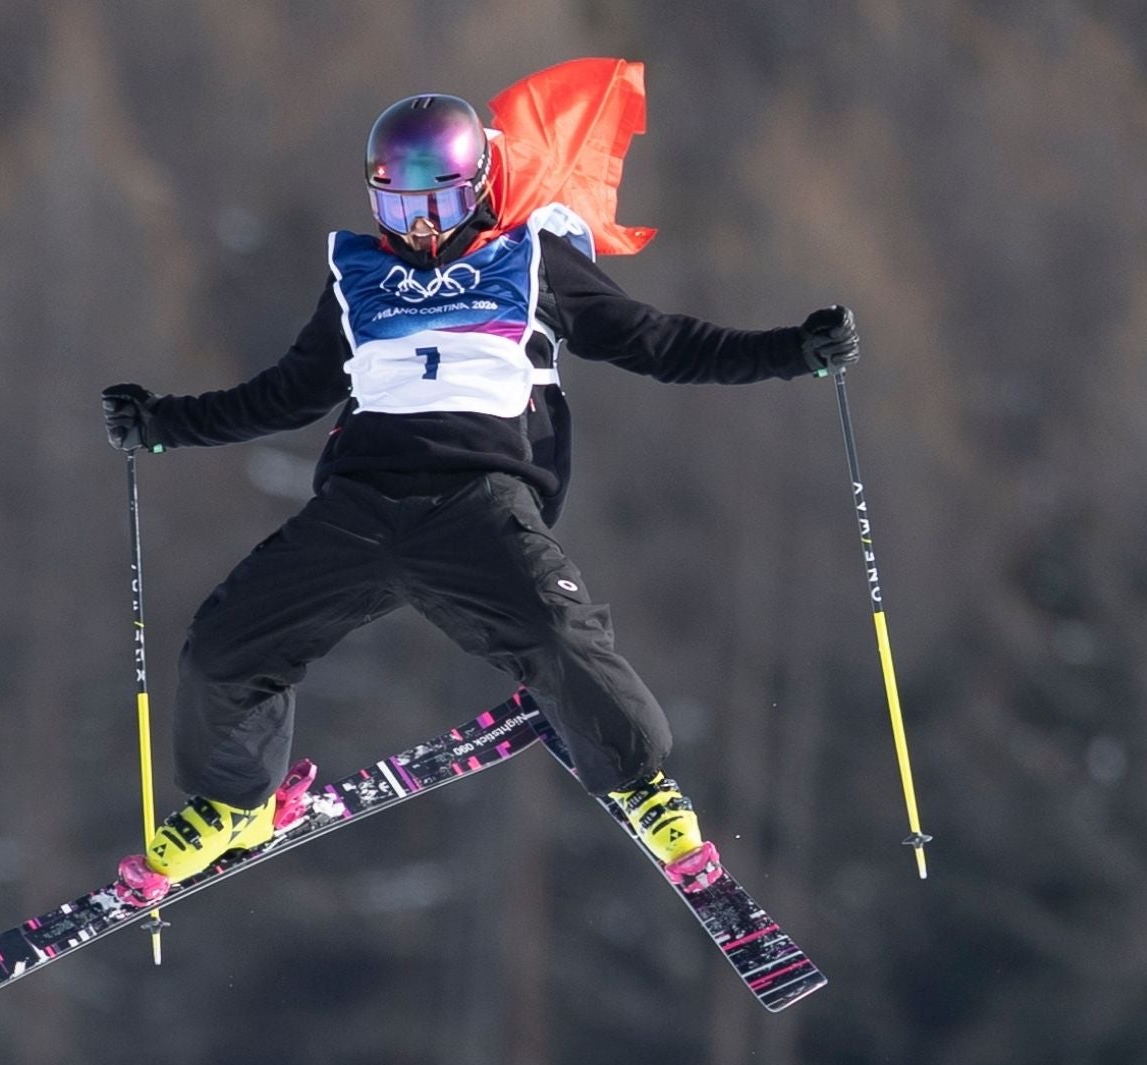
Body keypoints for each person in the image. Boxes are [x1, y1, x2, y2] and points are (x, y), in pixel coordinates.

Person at [100, 60, 858, 901]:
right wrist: (162, 424)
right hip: (358, 508)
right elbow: (285, 395)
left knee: (563, 640)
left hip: (477, 503)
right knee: (222, 649)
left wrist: (795, 351)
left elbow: (661, 342)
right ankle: (236, 804)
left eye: (441, 204)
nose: (421, 227)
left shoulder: (532, 262)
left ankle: (642, 786)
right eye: (399, 208)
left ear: (482, 188)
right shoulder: (357, 280)